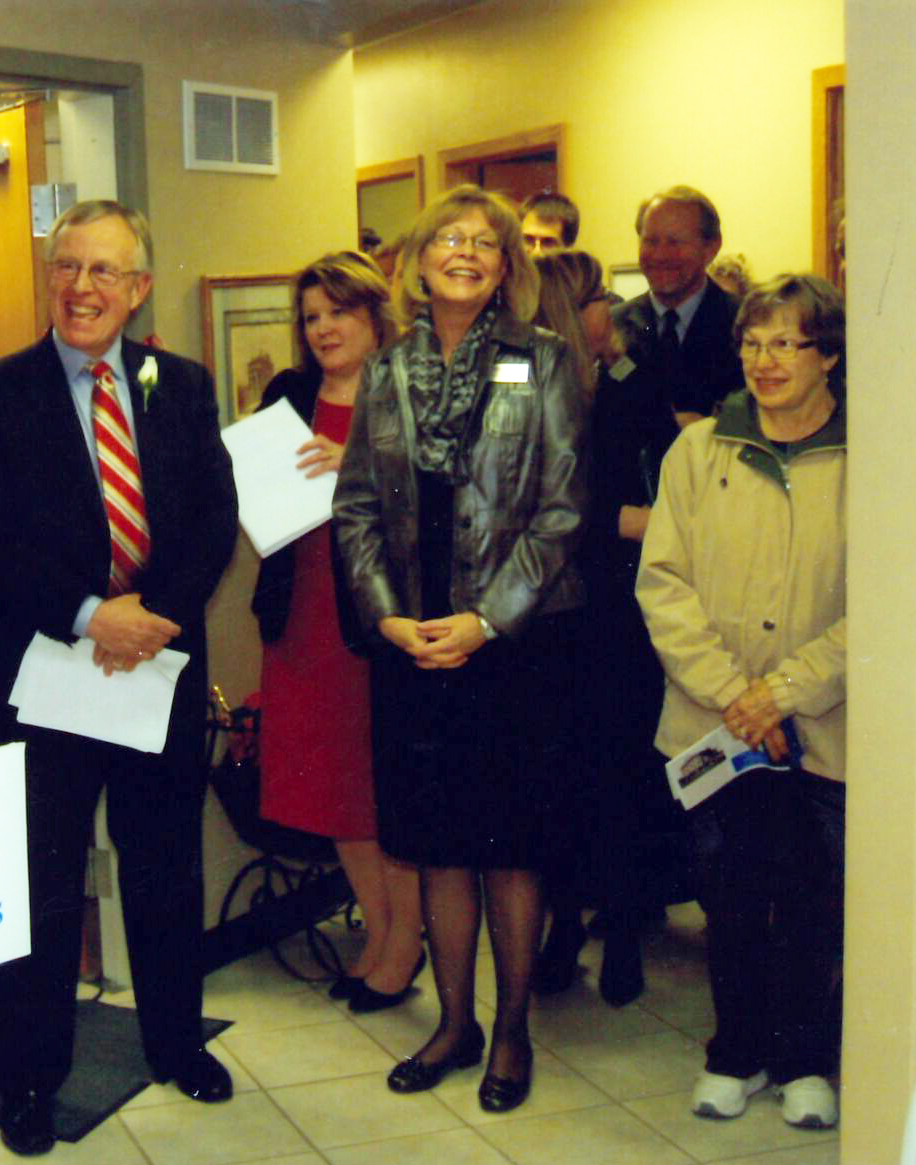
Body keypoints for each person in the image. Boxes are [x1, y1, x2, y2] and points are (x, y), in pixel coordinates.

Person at [0, 199, 238, 1156]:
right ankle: (28, 1079)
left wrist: (152, 616)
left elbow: (208, 518)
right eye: (67, 267)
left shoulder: (183, 387)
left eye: (105, 272)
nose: (82, 289)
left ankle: (173, 1041)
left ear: (139, 288)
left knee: (164, 866)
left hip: (156, 667)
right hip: (44, 677)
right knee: (40, 885)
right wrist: (86, 614)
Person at [334, 184, 587, 1116]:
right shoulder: (388, 368)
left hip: (513, 641)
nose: (467, 251)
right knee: (438, 845)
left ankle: (512, 1030)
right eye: (450, 236)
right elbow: (355, 507)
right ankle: (454, 1022)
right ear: (417, 257)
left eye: (485, 241)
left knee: (509, 848)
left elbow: (564, 510)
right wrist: (389, 618)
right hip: (413, 639)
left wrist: (486, 619)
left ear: (507, 264)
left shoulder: (544, 362)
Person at [637, 274, 847, 1131]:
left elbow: (886, 600)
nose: (764, 361)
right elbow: (662, 582)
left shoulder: (870, 453)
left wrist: (785, 693)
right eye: (752, 343)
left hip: (826, 722)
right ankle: (736, 1050)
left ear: (828, 352)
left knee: (811, 898)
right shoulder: (699, 452)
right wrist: (735, 694)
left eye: (786, 343)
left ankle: (805, 1059)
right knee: (728, 893)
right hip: (716, 724)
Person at [249, 252, 423, 1013]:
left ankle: (405, 944)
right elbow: (263, 492)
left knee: (383, 790)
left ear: (374, 315)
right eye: (310, 317)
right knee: (331, 792)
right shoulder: (288, 392)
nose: (322, 329)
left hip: (377, 617)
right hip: (303, 612)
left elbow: (444, 500)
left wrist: (356, 463)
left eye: (337, 313)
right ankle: (381, 938)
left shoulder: (411, 388)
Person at [527, 250, 682, 1007]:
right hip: (549, 617)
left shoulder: (633, 383)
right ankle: (562, 927)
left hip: (620, 619)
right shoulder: (524, 384)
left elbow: (668, 500)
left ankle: (621, 933)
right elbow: (528, 505)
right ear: (565, 309)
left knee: (619, 780)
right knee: (555, 786)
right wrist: (613, 522)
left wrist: (620, 524)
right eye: (595, 298)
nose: (610, 310)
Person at [613, 186, 742, 424]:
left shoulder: (744, 324)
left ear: (711, 248)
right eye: (650, 241)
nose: (660, 255)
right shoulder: (613, 325)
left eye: (675, 242)